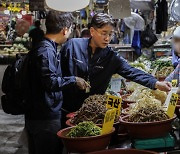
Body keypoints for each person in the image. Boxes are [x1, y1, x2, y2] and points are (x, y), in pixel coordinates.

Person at [60, 13, 171, 127]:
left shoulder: (111, 57)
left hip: (93, 113)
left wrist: (156, 83)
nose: (107, 38)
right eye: (104, 33)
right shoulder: (72, 46)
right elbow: (56, 75)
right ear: (92, 31)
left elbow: (132, 71)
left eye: (110, 34)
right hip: (66, 110)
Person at [25, 11, 89, 154]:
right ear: (65, 30)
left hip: (38, 115)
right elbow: (50, 82)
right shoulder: (46, 51)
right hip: (44, 118)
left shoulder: (43, 46)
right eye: (71, 29)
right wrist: (74, 80)